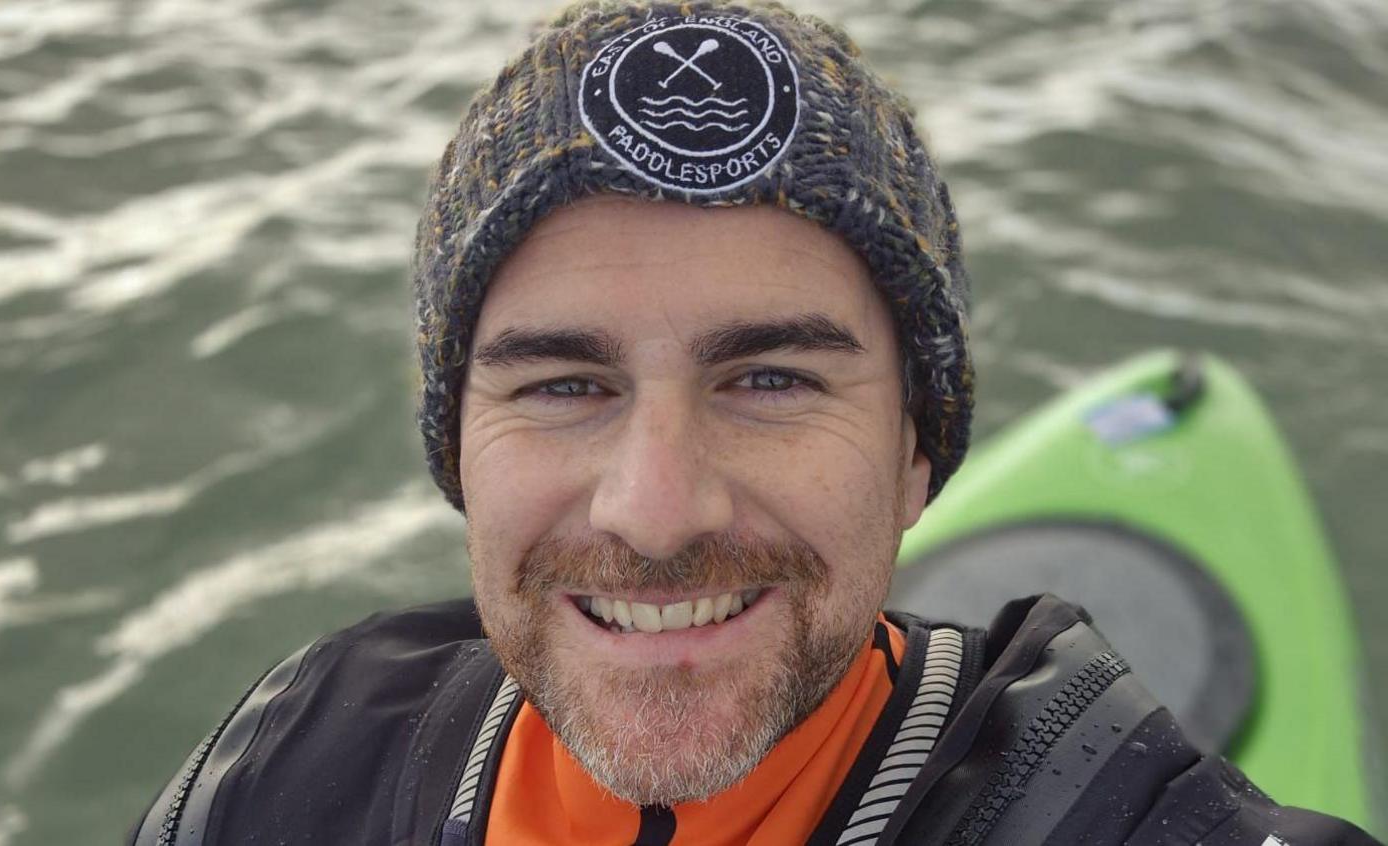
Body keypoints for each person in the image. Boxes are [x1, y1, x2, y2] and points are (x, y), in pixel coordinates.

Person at [129, 1, 1382, 844]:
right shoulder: (295, 752)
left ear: (914, 450)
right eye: (564, 384)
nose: (657, 509)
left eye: (771, 379)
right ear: (457, 444)